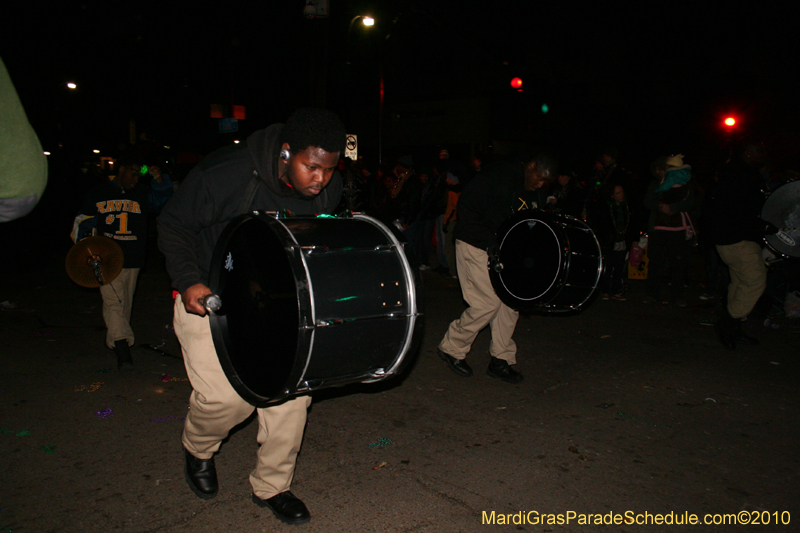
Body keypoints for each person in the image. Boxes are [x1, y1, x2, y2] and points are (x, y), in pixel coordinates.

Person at [156, 108, 346, 526]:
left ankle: (272, 485)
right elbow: (173, 223)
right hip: (212, 296)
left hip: (276, 303)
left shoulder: (328, 189)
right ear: (285, 153)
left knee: (293, 393)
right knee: (227, 398)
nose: (321, 180)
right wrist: (189, 281)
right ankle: (198, 448)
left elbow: (319, 242)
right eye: (311, 167)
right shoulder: (229, 172)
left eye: (330, 170)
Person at [436, 151, 557, 384]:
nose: (540, 184)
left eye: (545, 182)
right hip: (475, 243)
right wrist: (489, 239)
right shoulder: (499, 175)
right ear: (531, 165)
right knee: (486, 302)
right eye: (539, 178)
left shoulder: (537, 191)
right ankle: (452, 346)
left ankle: (501, 359)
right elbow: (468, 207)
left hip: (507, 250)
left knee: (510, 302)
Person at [71, 153, 173, 369]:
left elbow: (162, 203)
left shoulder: (142, 193)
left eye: (138, 175)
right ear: (121, 169)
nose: (135, 179)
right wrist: (85, 250)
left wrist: (159, 181)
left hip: (133, 256)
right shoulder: (99, 192)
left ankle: (117, 340)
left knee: (124, 302)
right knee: (113, 302)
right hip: (106, 257)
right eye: (132, 173)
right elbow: (82, 222)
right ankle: (122, 347)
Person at [710, 140, 769, 350]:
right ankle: (728, 321)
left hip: (731, 237)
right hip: (738, 238)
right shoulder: (743, 175)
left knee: (739, 282)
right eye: (760, 151)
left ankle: (733, 328)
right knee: (755, 280)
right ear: (749, 153)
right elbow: (747, 208)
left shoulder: (734, 173)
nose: (763, 155)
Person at [642, 154, 699, 307]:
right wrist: (661, 207)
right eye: (657, 170)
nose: (659, 172)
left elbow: (691, 202)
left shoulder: (684, 183)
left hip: (679, 230)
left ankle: (677, 296)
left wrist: (673, 208)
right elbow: (647, 201)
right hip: (658, 229)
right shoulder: (655, 184)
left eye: (662, 169)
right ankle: (651, 294)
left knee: (678, 264)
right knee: (655, 263)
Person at [598, 183, 634, 300]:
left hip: (622, 241)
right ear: (612, 195)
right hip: (610, 241)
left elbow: (632, 224)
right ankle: (605, 290)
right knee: (608, 266)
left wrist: (634, 239)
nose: (621, 195)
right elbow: (603, 225)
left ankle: (616, 290)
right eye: (618, 193)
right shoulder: (607, 207)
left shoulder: (627, 207)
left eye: (622, 192)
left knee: (619, 266)